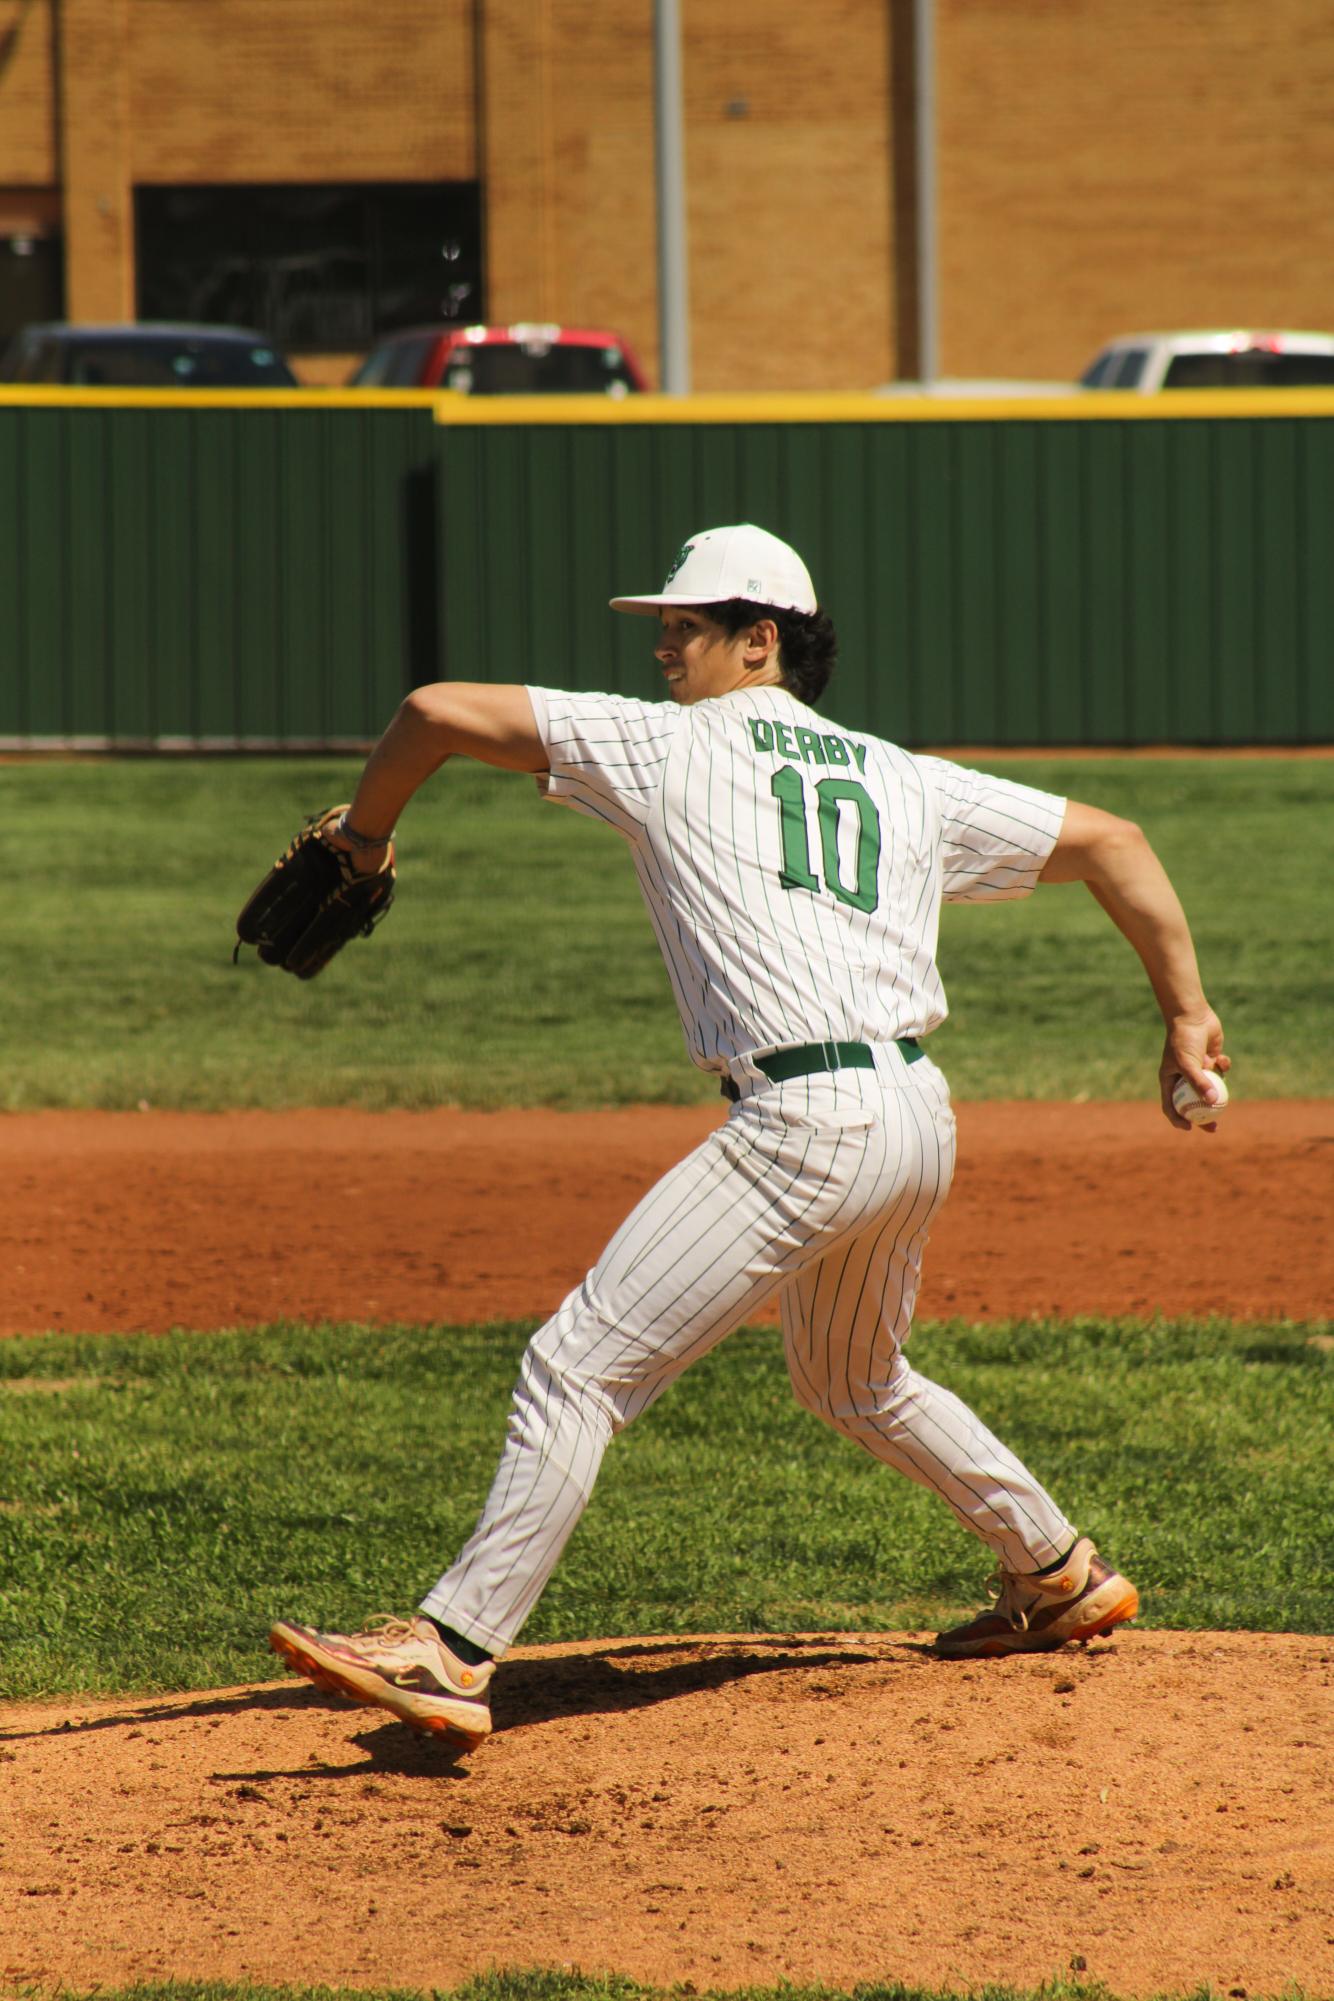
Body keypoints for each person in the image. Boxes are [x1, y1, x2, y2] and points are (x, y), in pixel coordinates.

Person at [269, 522, 1229, 1749]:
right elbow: (1115, 843)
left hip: (803, 1123)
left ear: (758, 641)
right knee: (854, 1378)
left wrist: (362, 837)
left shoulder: (666, 744)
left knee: (578, 1365)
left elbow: (432, 711)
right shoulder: (902, 777)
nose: (661, 644)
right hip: (914, 1121)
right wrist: (1186, 1016)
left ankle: (450, 1651)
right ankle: (1054, 1572)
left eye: (684, 625)